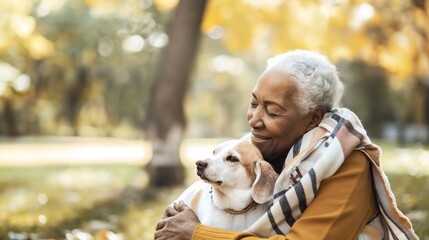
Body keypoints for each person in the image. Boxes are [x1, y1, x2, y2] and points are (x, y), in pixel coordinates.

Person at [154, 50, 418, 240]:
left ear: (313, 118)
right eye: (254, 103)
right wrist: (180, 218)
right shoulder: (260, 153)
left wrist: (197, 234)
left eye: (272, 111)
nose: (254, 120)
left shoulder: (349, 165)